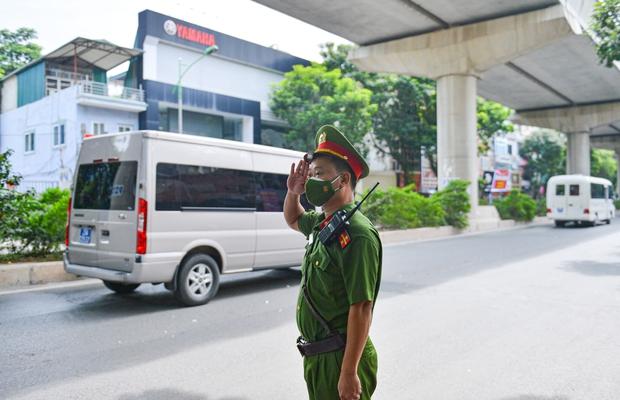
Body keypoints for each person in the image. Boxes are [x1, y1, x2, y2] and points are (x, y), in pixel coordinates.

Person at [283, 125, 382, 400]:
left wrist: (349, 372)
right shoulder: (323, 223)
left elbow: (361, 307)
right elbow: (293, 219)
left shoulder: (357, 234)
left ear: (342, 179)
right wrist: (293, 192)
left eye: (320, 174)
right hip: (318, 357)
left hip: (340, 358)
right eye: (311, 174)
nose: (313, 180)